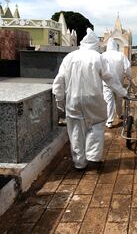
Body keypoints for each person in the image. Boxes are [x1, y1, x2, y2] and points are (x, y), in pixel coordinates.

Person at [53, 28, 127, 170]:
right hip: (94, 99)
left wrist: (60, 99)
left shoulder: (69, 57)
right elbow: (110, 78)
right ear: (95, 44)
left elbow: (59, 80)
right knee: (97, 126)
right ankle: (93, 157)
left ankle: (79, 163)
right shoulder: (98, 57)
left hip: (73, 100)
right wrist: (123, 92)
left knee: (75, 131)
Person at [102, 38, 132, 128]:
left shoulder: (103, 55)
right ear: (116, 46)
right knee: (119, 100)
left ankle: (109, 121)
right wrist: (130, 77)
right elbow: (127, 68)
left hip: (106, 83)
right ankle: (119, 114)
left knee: (109, 101)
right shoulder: (121, 55)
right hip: (118, 83)